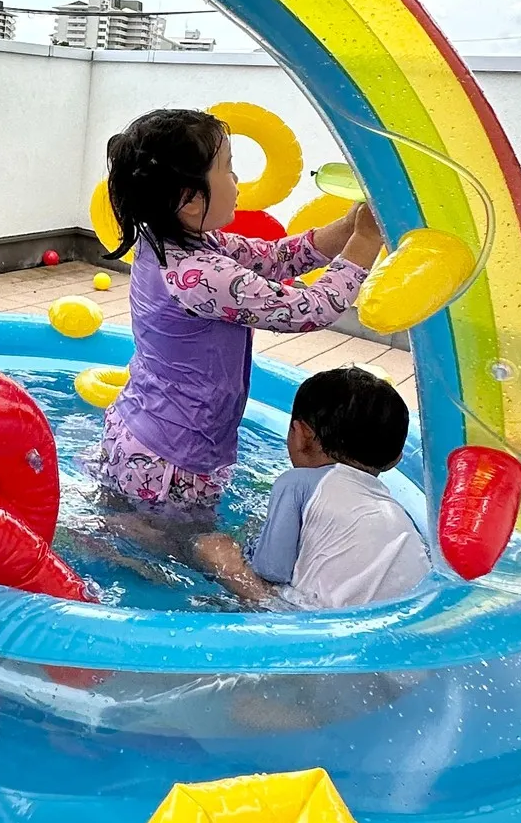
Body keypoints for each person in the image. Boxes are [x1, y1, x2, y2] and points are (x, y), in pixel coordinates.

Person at [89, 108, 383, 516]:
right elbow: (310, 309)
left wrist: (350, 224)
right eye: (228, 169)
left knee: (131, 523)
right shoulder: (200, 276)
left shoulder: (178, 243)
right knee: (177, 547)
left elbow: (280, 256)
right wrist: (366, 242)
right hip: (172, 458)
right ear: (189, 201)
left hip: (145, 429)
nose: (237, 181)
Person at [194, 366, 430, 608]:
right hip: (400, 615)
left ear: (302, 435)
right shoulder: (394, 510)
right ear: (395, 460)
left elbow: (271, 569)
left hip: (315, 622)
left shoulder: (296, 483)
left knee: (212, 546)